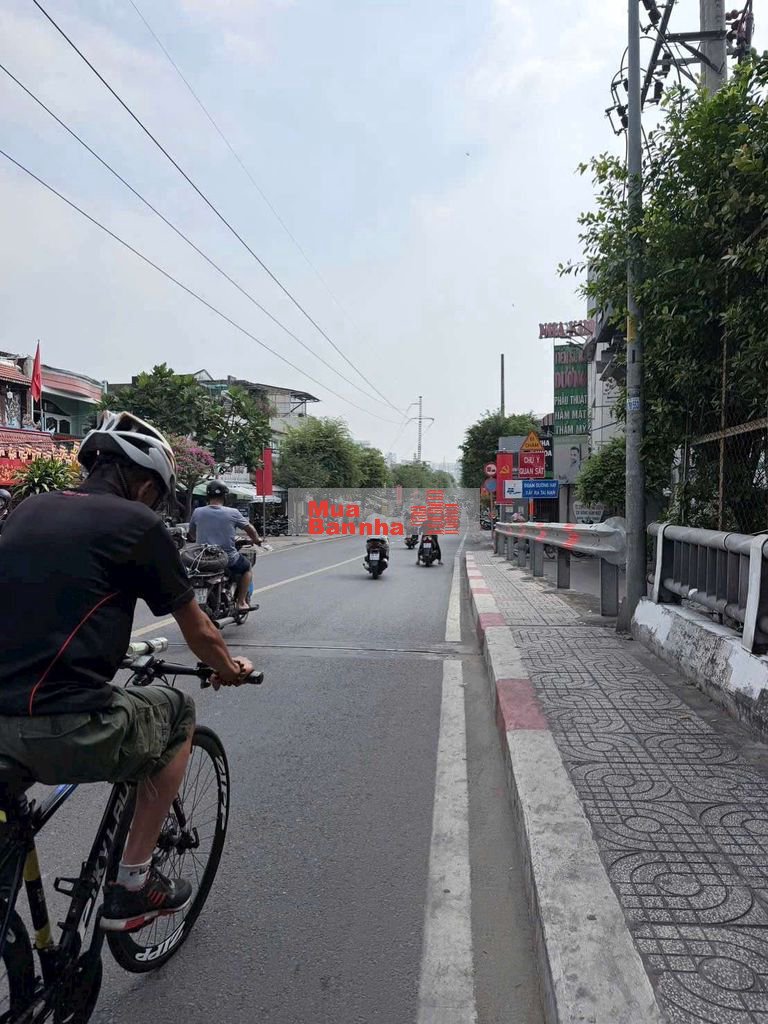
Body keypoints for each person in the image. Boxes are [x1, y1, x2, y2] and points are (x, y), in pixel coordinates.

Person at [0, 411, 255, 933]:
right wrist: (229, 668)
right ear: (143, 484)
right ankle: (133, 885)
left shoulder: (27, 510)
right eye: (157, 497)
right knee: (177, 711)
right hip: (62, 725)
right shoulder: (137, 525)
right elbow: (201, 631)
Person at [187, 481, 263, 611]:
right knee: (247, 567)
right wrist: (256, 539)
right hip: (227, 558)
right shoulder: (233, 512)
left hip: (202, 558)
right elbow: (249, 528)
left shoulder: (197, 512)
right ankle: (241, 602)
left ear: (207, 496)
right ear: (225, 496)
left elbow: (192, 534)